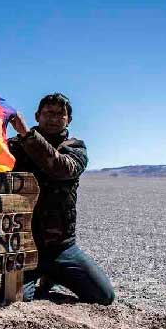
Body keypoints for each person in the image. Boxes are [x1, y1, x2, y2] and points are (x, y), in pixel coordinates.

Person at [7, 93, 115, 304]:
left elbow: (60, 168)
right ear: (37, 115)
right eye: (48, 113)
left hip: (62, 248)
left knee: (104, 296)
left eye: (60, 114)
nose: (54, 118)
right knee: (17, 298)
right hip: (25, 246)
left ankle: (54, 274)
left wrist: (28, 135)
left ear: (69, 120)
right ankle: (42, 274)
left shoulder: (76, 148)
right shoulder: (15, 146)